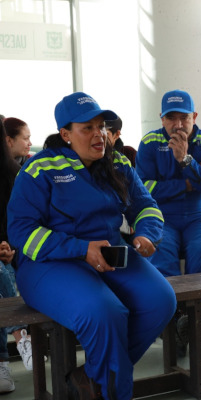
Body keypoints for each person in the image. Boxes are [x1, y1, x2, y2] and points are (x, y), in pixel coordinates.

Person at [7, 92, 176, 400]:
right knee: (103, 311)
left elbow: (146, 205)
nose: (98, 134)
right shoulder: (40, 168)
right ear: (65, 134)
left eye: (101, 125)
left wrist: (148, 233)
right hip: (48, 264)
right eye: (87, 128)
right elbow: (21, 232)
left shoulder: (118, 162)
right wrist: (80, 248)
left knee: (161, 300)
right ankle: (109, 391)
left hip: (111, 254)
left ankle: (92, 376)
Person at [135, 89, 201, 356]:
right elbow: (144, 189)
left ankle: (193, 317)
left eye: (183, 117)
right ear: (161, 119)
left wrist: (186, 160)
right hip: (162, 215)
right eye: (170, 118)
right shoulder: (149, 143)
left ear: (194, 116)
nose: (177, 124)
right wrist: (186, 184)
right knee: (161, 254)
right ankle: (174, 322)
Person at [0, 120, 32, 393]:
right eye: (25, 138)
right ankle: (22, 336)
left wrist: (7, 247)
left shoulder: (16, 174)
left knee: (2, 273)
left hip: (7, 253)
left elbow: (14, 222)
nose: (29, 143)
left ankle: (3, 362)